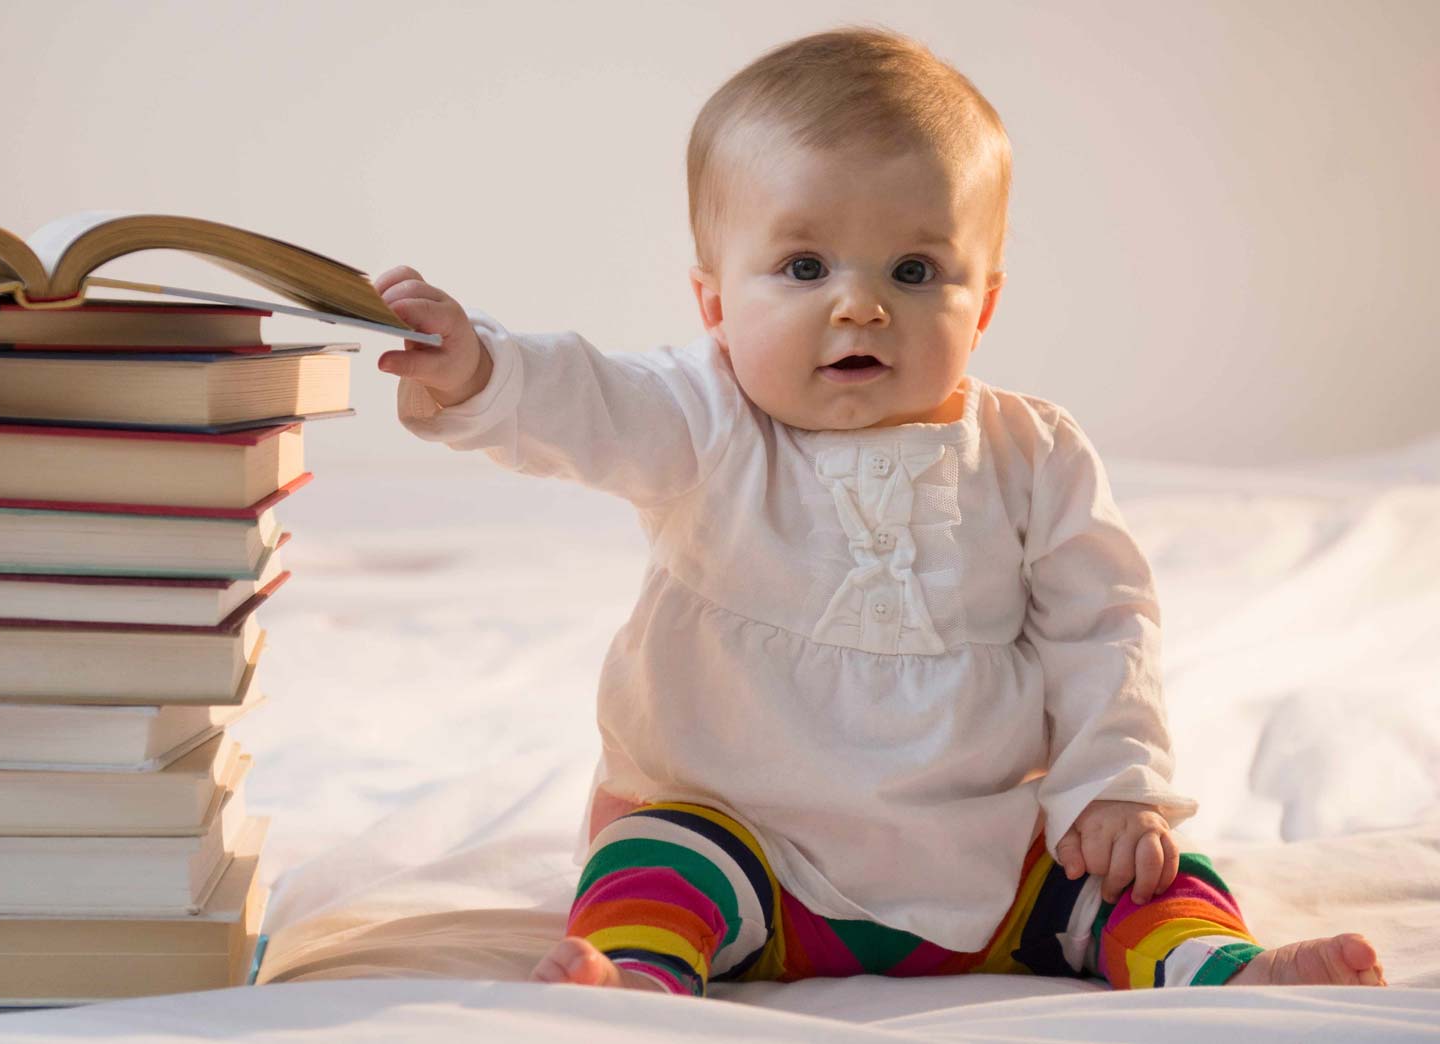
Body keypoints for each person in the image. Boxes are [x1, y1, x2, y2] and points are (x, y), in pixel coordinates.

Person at [374, 27, 1385, 995]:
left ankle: (1219, 963)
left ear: (981, 305)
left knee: (1142, 869)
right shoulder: (700, 417)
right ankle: (639, 974)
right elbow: (581, 399)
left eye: (912, 271)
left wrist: (1112, 787)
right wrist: (477, 369)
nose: (858, 306)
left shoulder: (1034, 456)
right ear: (713, 304)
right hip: (755, 852)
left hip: (994, 861)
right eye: (804, 268)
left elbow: (1103, 629)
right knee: (651, 855)